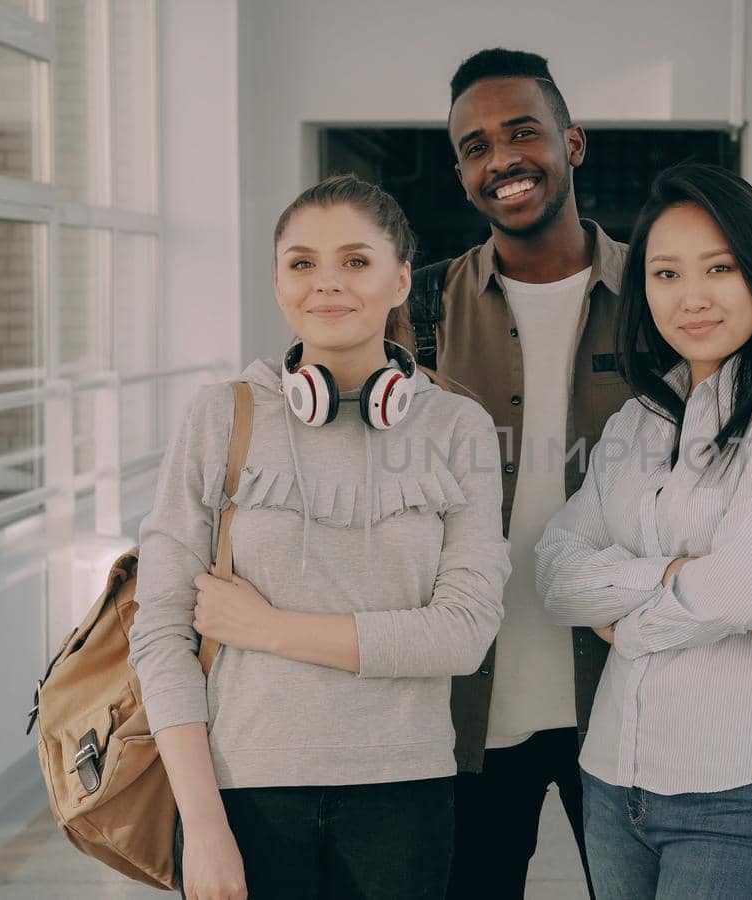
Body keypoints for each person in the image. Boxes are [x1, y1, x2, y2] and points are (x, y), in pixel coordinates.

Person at [129, 174, 510, 900]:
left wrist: (268, 629)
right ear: (277, 281)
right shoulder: (221, 417)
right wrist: (203, 825)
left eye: (356, 262)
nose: (326, 284)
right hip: (242, 796)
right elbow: (160, 633)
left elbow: (462, 635)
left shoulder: (455, 427)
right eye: (303, 263)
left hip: (406, 795)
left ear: (401, 280)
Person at [536, 162, 752, 900]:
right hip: (615, 775)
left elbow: (743, 588)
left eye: (720, 267)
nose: (693, 297)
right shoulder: (636, 421)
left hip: (740, 784)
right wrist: (675, 576)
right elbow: (554, 575)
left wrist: (621, 621)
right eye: (666, 274)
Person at [392, 47, 636, 898]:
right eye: (474, 146)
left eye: (522, 132)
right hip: (463, 714)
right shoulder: (413, 312)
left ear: (572, 143)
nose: (501, 160)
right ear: (462, 174)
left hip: (624, 701)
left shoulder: (661, 298)